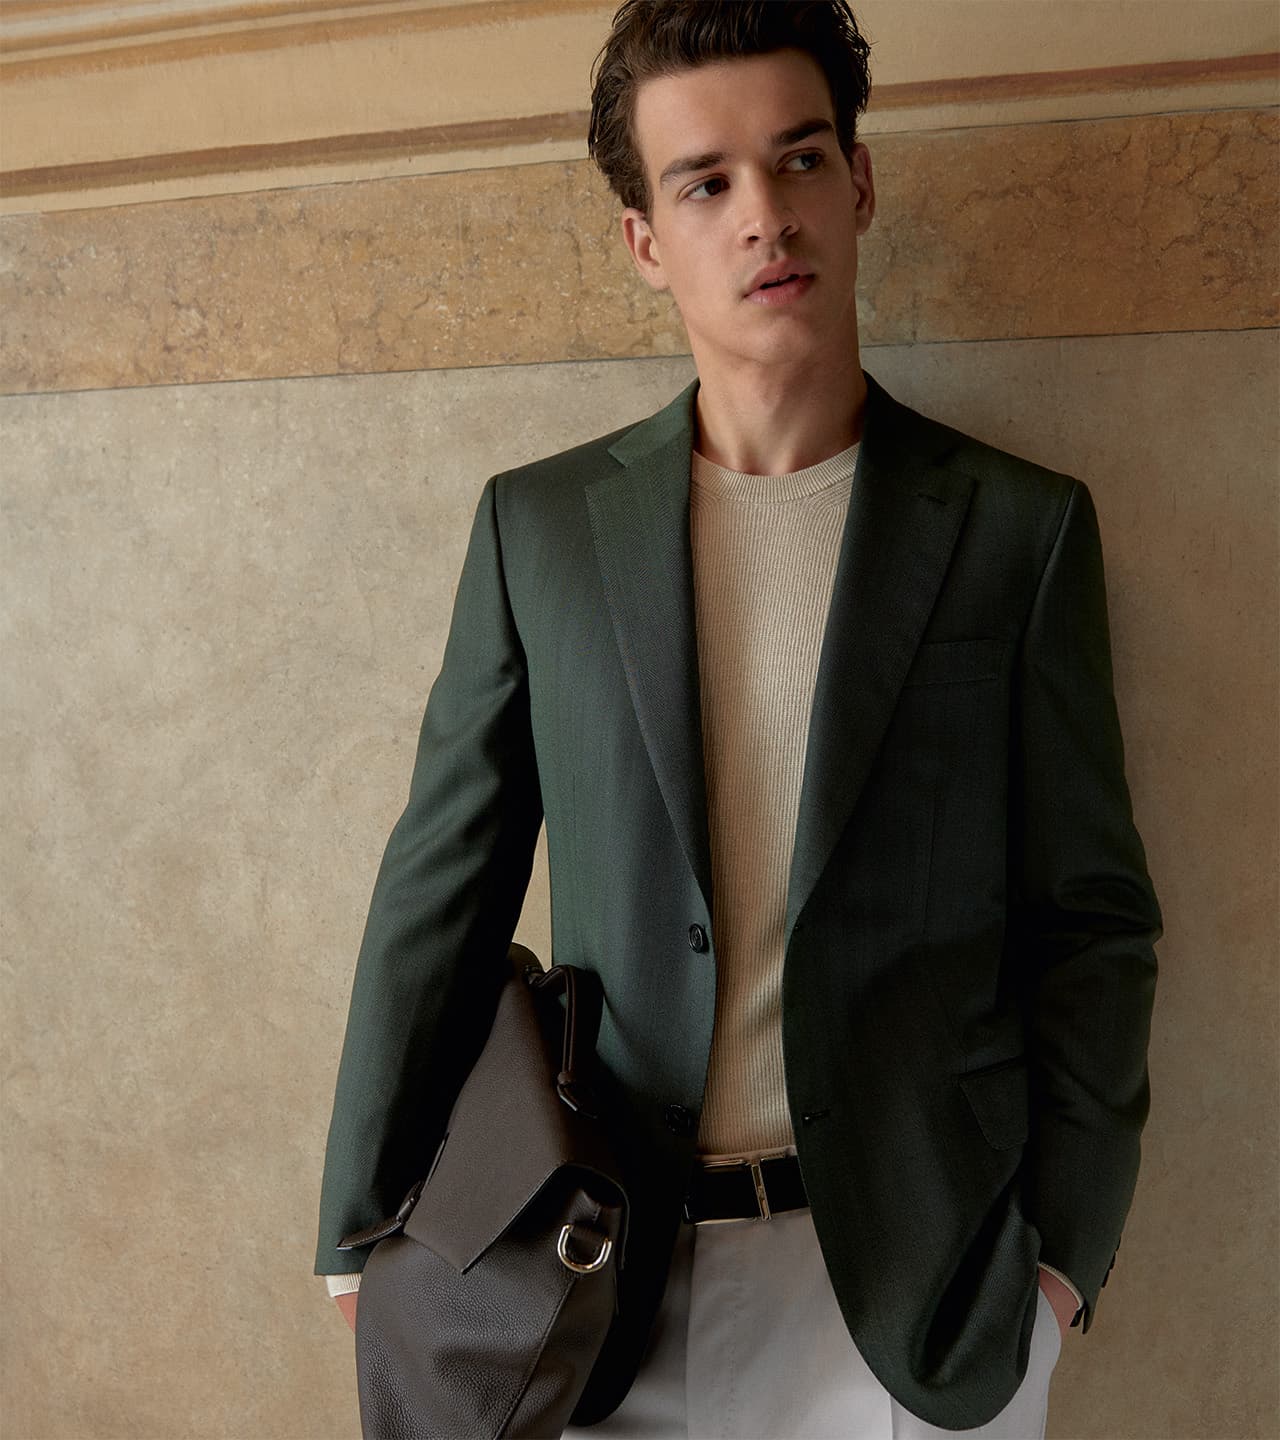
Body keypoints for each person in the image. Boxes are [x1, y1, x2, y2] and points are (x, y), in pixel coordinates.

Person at [314, 2, 1162, 1435]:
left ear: (860, 181)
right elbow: (441, 890)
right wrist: (360, 1220)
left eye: (800, 158)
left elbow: (1092, 918)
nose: (765, 213)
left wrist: (1061, 1261)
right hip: (598, 1281)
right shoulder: (541, 533)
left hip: (921, 1292)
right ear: (646, 240)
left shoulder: (1019, 532)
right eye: (705, 183)